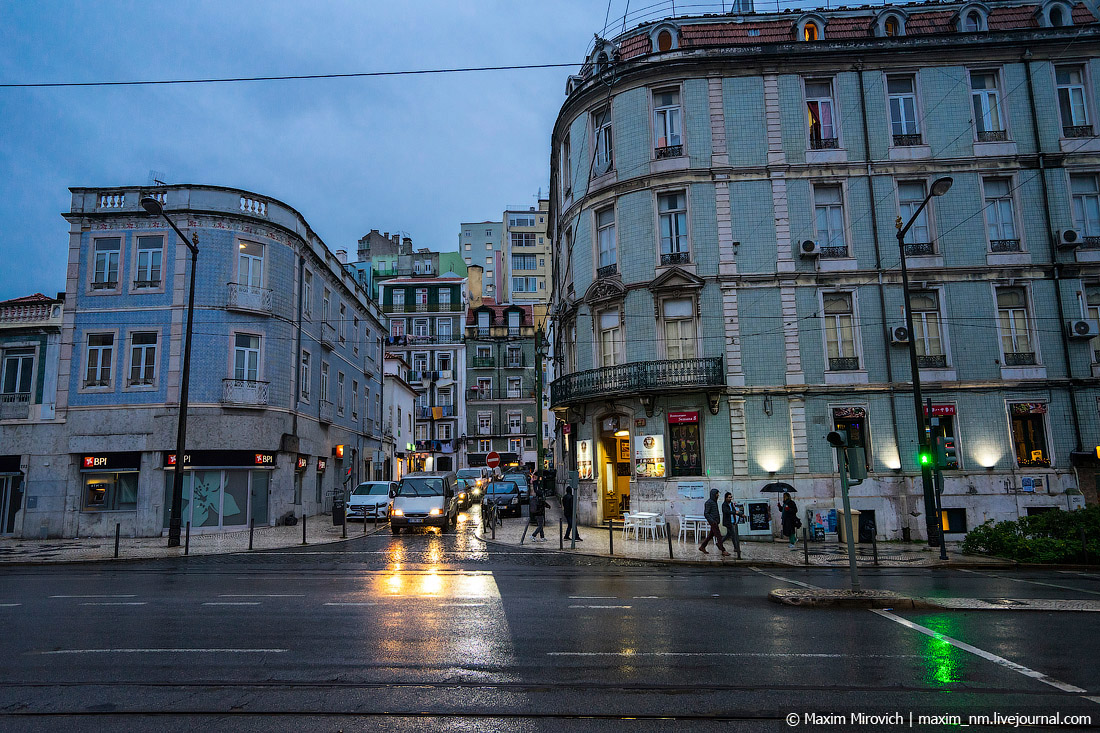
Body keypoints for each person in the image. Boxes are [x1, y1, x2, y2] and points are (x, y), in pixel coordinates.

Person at [699, 488, 729, 556]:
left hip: (715, 522)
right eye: (717, 493)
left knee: (710, 535)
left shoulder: (714, 502)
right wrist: (712, 521)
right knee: (719, 536)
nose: (718, 495)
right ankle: (723, 550)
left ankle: (702, 546)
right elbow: (706, 513)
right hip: (713, 522)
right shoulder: (709, 502)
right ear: (714, 494)